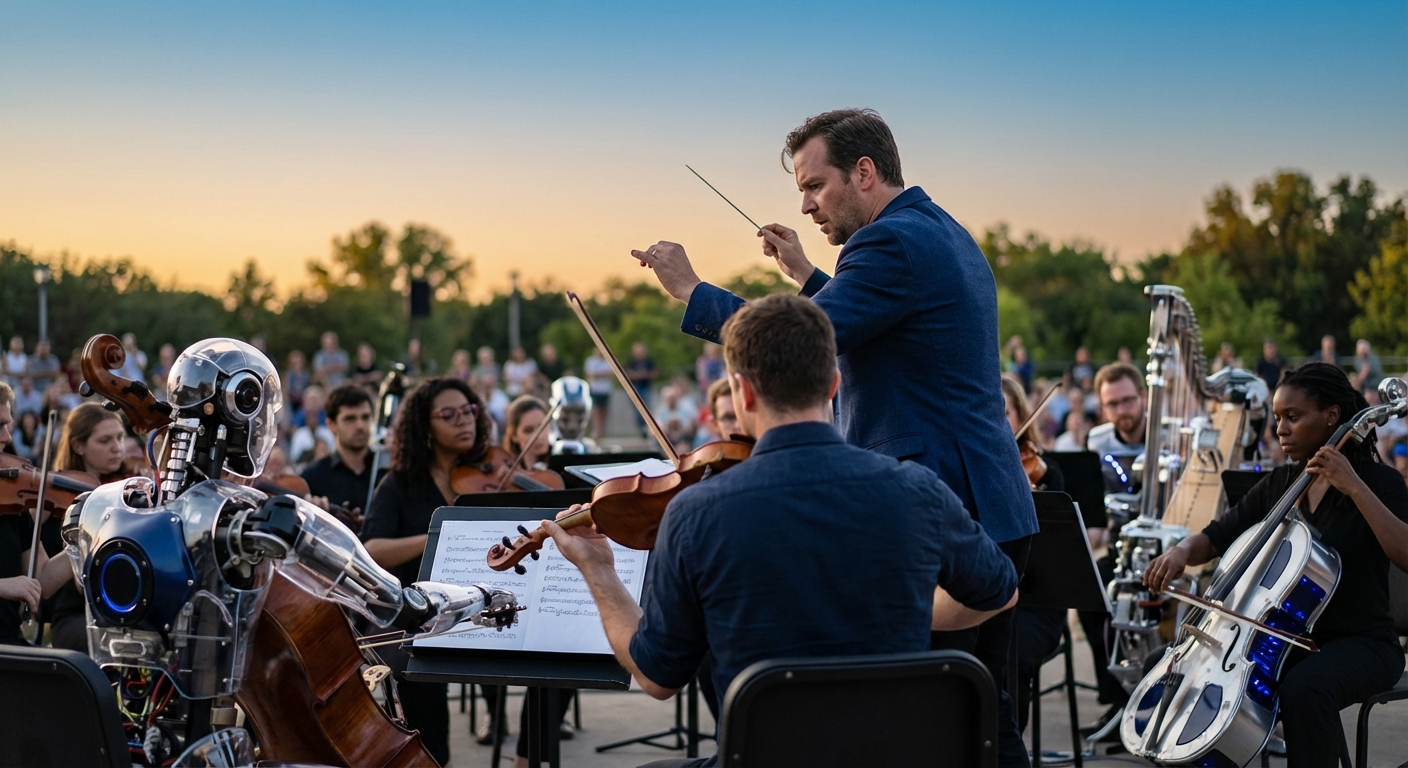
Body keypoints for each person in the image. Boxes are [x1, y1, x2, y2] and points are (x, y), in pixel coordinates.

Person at [631, 108, 1036, 764]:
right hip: (988, 499)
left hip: (947, 502)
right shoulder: (937, 230)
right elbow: (874, 320)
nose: (805, 204)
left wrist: (692, 290)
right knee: (978, 716)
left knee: (944, 721)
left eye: (815, 185)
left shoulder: (886, 243)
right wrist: (805, 276)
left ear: (865, 172)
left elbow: (800, 343)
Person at [542, 295, 1018, 768]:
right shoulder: (917, 489)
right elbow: (999, 593)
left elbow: (657, 675)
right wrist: (893, 610)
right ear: (833, 383)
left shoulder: (696, 513)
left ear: (743, 393)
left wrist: (598, 568)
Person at [1143, 362, 1408, 767]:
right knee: (1171, 671)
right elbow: (1215, 536)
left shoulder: (1380, 482)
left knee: (1305, 689)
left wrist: (1354, 486)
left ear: (1332, 417)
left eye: (1293, 417)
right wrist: (1180, 553)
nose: (1280, 429)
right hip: (1285, 642)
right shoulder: (1280, 483)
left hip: (1363, 643)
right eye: (1278, 418)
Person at [359, 378, 496, 767]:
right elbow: (373, 550)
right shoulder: (400, 484)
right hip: (417, 616)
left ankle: (523, 754)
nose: (462, 421)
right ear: (425, 427)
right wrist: (440, 534)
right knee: (418, 686)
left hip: (482, 609)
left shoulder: (489, 477)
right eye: (448, 415)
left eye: (468, 411)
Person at [44, 403, 128, 651]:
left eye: (120, 437)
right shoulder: (55, 500)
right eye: (105, 440)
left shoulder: (125, 488)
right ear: (78, 446)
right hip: (76, 614)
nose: (117, 447)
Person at [0, 381, 45, 645]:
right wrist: (3, 586)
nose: (6, 437)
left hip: (8, 643)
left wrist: (78, 545)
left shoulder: (10, 497)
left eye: (8, 426)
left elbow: (42, 579)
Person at [300, 384, 375, 521]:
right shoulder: (313, 477)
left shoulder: (386, 471)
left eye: (365, 417)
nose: (360, 426)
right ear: (331, 425)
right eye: (350, 419)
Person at [289, 385, 335, 466]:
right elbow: (294, 458)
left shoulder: (327, 432)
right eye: (310, 400)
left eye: (315, 400)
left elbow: (333, 452)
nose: (312, 403)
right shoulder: (299, 434)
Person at [625, 342, 656, 434]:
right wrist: (637, 375)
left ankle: (647, 430)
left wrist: (645, 374)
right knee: (637, 412)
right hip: (635, 388)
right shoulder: (631, 362)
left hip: (645, 388)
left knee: (647, 410)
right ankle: (642, 430)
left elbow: (654, 373)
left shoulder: (648, 362)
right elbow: (627, 374)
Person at [584, 350, 614, 438]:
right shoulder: (591, 361)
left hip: (605, 390)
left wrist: (598, 375)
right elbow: (590, 374)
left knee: (604, 410)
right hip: (595, 389)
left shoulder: (608, 361)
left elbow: (611, 374)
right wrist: (603, 374)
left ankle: (602, 430)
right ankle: (596, 430)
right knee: (596, 410)